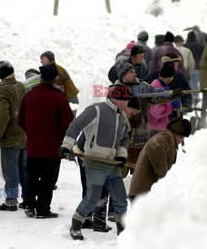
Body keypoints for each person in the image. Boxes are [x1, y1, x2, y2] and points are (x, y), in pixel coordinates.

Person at [58, 85, 131, 240]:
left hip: (112, 165)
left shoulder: (121, 116)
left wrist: (121, 155)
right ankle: (76, 226)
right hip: (95, 163)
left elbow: (124, 138)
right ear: (117, 99)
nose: (127, 103)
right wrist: (66, 145)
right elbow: (75, 126)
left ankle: (123, 233)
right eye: (126, 100)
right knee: (93, 198)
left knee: (121, 199)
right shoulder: (96, 110)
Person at [17, 64, 74, 218]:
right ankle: (42, 209)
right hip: (52, 148)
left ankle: (28, 205)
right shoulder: (59, 98)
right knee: (48, 180)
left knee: (32, 176)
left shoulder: (29, 96)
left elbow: (20, 119)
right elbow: (68, 123)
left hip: (33, 146)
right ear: (55, 79)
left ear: (40, 78)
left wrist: (31, 132)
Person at [0, 61, 27, 211]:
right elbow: (16, 105)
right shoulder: (21, 86)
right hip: (23, 135)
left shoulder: (2, 90)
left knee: (11, 171)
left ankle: (11, 200)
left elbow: (3, 117)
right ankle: (27, 199)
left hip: (10, 138)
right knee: (23, 169)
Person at [128, 117, 192, 200]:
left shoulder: (169, 139)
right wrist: (164, 175)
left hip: (146, 193)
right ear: (180, 135)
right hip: (143, 193)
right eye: (182, 138)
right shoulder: (167, 137)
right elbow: (154, 146)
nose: (181, 141)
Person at [148, 64, 176, 138]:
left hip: (158, 126)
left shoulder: (159, 85)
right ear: (170, 77)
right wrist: (171, 105)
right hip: (156, 128)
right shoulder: (157, 88)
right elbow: (156, 111)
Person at [184, 31, 204, 102]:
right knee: (195, 83)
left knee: (189, 83)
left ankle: (190, 97)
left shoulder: (185, 45)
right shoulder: (200, 45)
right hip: (198, 67)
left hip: (188, 68)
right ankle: (196, 97)